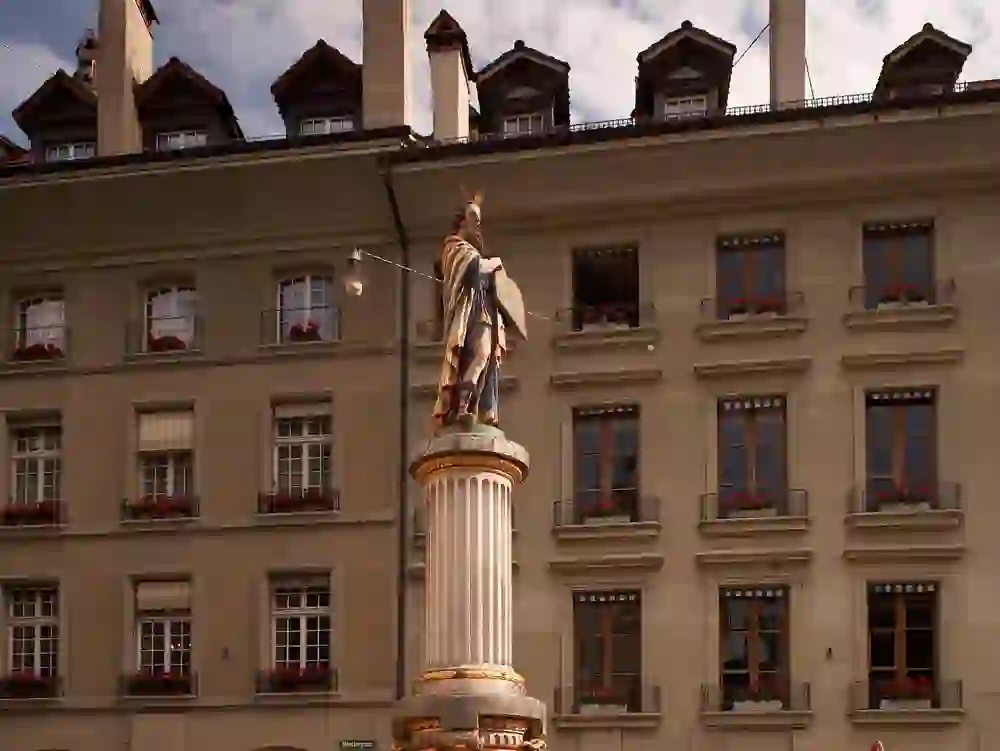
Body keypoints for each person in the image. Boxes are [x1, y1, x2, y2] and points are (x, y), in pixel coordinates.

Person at [432, 192, 506, 430]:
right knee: (479, 355)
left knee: (485, 356)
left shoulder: (472, 251)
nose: (477, 223)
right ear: (462, 221)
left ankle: (473, 406)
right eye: (473, 216)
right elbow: (475, 269)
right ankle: (463, 406)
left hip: (484, 312)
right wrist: (495, 263)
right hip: (468, 313)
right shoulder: (453, 247)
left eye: (479, 218)